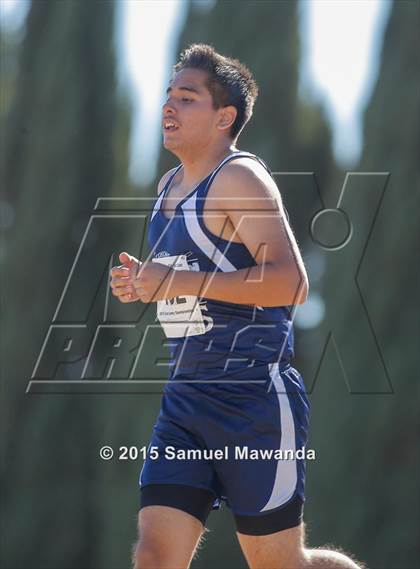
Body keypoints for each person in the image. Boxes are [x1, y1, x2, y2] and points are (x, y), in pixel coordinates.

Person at [110, 44, 363, 569]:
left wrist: (177, 279)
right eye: (168, 96)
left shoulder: (238, 178)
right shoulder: (166, 189)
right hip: (185, 401)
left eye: (187, 98)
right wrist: (145, 285)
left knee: (280, 563)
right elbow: (193, 282)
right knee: (155, 557)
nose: (168, 108)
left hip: (254, 403)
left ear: (225, 117)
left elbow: (291, 284)